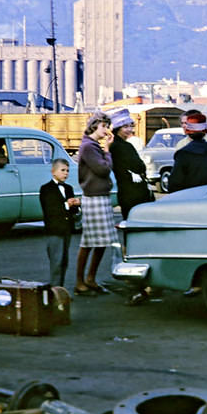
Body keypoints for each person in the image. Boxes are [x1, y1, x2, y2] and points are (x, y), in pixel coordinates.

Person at [168, 110, 207, 297]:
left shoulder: (183, 153)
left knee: (187, 245)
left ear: (188, 130)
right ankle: (204, 283)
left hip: (188, 202)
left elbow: (175, 184)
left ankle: (189, 282)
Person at [108, 108, 157, 305]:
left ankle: (133, 276)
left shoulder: (116, 146)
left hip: (127, 194)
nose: (130, 130)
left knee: (130, 233)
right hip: (134, 194)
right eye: (127, 126)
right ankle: (136, 278)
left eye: (131, 126)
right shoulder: (123, 148)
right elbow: (140, 167)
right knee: (137, 233)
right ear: (118, 128)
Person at [74, 111, 117, 296]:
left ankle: (90, 278)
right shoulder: (89, 147)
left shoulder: (91, 145)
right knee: (89, 241)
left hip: (99, 195)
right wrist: (107, 150)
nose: (106, 130)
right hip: (94, 197)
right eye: (104, 126)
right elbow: (103, 169)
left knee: (100, 242)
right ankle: (80, 281)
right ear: (94, 126)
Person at [39, 158, 80, 287]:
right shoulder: (46, 189)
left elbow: (72, 211)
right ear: (53, 172)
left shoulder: (68, 188)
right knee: (56, 261)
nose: (65, 173)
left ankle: (60, 288)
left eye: (67, 171)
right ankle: (55, 289)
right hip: (54, 229)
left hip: (66, 229)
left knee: (64, 261)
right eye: (62, 170)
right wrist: (66, 204)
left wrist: (76, 205)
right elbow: (50, 209)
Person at [168, 111, 207, 192]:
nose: (184, 126)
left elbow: (175, 181)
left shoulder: (184, 152)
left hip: (189, 196)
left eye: (186, 123)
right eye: (182, 123)